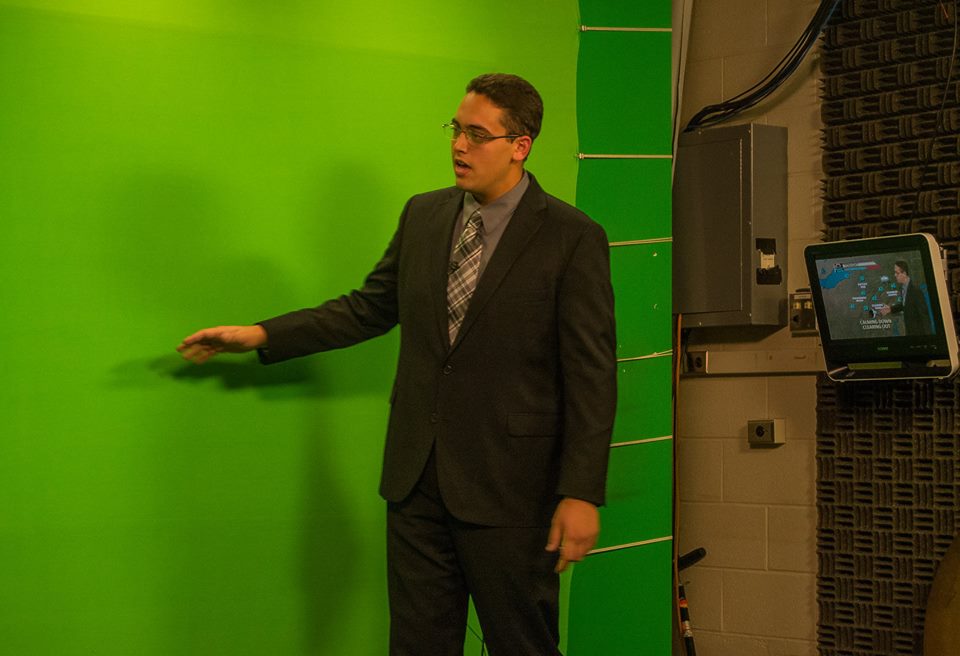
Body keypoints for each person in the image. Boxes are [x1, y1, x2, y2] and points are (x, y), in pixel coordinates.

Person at [177, 73, 617, 655]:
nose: (459, 146)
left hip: (512, 490)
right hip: (416, 482)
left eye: (477, 134)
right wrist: (260, 334)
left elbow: (592, 372)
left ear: (520, 144)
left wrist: (581, 491)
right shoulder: (424, 216)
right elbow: (367, 309)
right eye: (456, 130)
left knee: (522, 645)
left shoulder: (572, 236)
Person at [877, 260, 932, 335]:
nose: (895, 275)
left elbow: (924, 316)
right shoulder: (904, 288)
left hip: (918, 335)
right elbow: (905, 305)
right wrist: (891, 309)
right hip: (910, 333)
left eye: (897, 273)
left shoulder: (916, 291)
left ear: (904, 273)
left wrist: (928, 338)